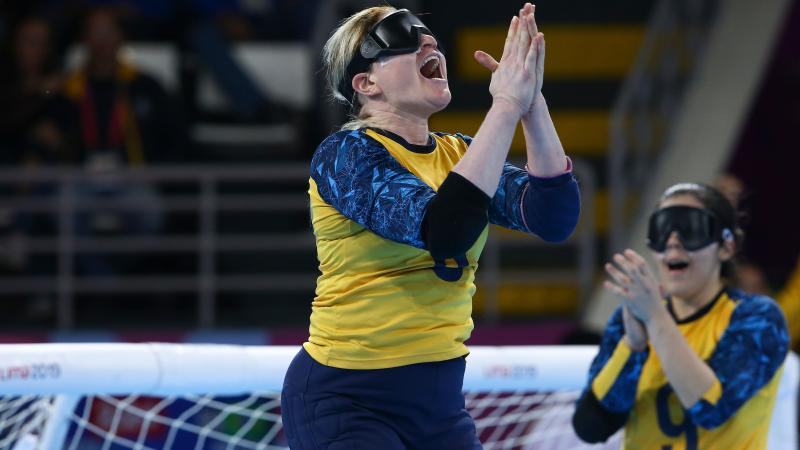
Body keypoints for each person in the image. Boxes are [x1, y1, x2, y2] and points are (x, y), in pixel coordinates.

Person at [281, 4, 580, 449]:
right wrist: (504, 106)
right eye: (400, 36)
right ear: (367, 83)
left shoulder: (459, 153)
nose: (428, 41)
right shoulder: (344, 153)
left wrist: (532, 104)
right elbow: (444, 232)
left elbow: (554, 218)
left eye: (427, 32)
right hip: (347, 398)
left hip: (438, 402)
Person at [572, 182, 789, 449]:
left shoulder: (758, 318)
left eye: (690, 229)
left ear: (726, 247)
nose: (673, 242)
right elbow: (591, 427)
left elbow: (711, 409)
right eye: (663, 229)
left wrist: (656, 318)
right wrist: (633, 348)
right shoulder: (631, 318)